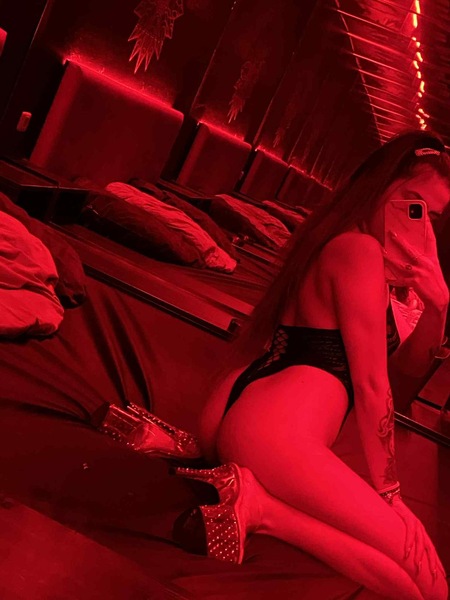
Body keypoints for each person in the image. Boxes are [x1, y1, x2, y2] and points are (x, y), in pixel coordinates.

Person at [172, 131, 450, 600]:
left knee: (409, 583)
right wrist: (390, 496)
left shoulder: (360, 251)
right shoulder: (358, 250)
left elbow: (404, 380)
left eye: (431, 216)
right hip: (274, 431)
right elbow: (372, 384)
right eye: (412, 203)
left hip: (258, 414)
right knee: (433, 585)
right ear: (381, 185)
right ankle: (263, 509)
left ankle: (261, 507)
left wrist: (439, 306)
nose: (418, 221)